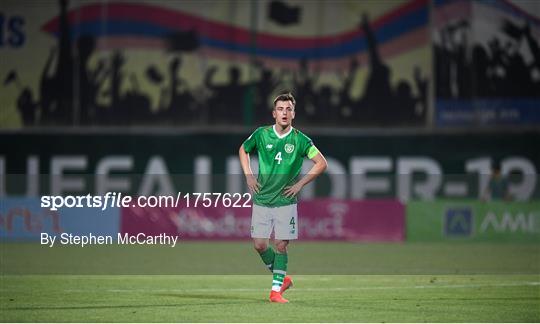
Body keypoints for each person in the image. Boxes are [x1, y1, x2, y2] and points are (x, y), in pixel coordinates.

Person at [238, 92, 327, 303]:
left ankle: (275, 291)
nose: (284, 113)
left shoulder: (301, 140)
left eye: (288, 109)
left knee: (280, 245)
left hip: (285, 201)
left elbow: (321, 163)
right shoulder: (261, 134)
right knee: (259, 245)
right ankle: (282, 278)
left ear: (293, 113)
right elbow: (243, 149)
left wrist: (299, 184)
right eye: (280, 109)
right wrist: (249, 175)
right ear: (274, 113)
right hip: (262, 198)